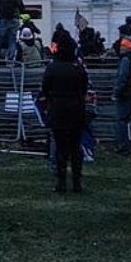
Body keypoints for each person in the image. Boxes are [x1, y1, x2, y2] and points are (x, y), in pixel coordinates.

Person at [42, 35, 89, 193]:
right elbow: (84, 88)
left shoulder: (52, 67)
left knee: (60, 147)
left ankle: (61, 182)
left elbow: (45, 88)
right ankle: (77, 182)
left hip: (58, 108)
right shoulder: (78, 68)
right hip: (76, 108)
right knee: (75, 147)